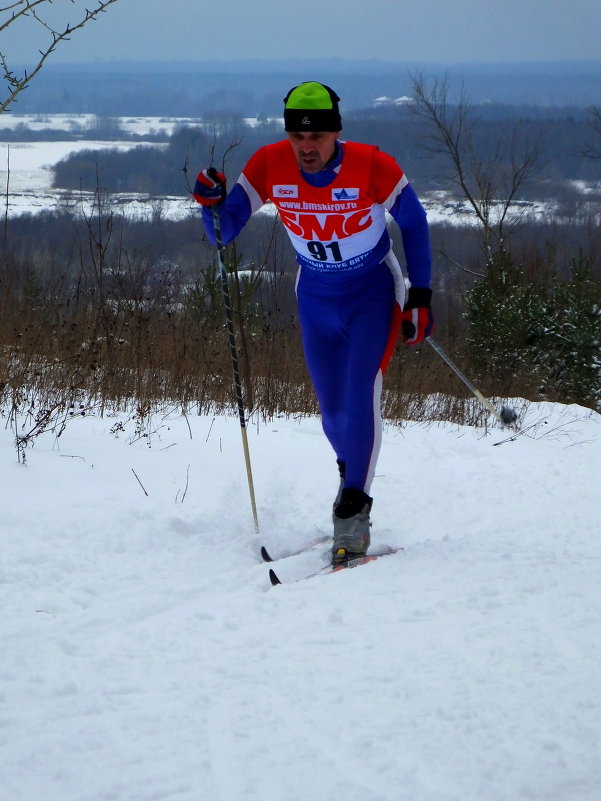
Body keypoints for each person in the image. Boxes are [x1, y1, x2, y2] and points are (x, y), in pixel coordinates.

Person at [193, 81, 433, 564]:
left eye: (317, 137)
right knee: (331, 413)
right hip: (317, 297)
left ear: (336, 132)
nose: (307, 147)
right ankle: (352, 477)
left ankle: (352, 518)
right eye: (298, 137)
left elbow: (415, 220)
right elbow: (225, 231)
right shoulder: (268, 164)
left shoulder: (372, 165)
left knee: (360, 395)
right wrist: (210, 204)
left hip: (372, 292)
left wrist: (421, 297)